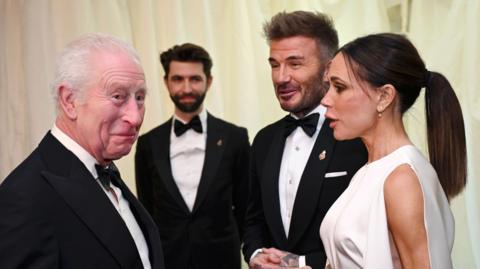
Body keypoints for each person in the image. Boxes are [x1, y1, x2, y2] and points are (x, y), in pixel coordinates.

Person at [0, 33, 165, 268]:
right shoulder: (23, 198)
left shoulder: (105, 172)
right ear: (69, 101)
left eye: (139, 98)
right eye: (118, 96)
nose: (136, 117)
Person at [319, 33, 467, 269]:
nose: (326, 99)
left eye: (339, 87)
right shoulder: (371, 171)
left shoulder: (402, 179)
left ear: (384, 96)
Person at [242, 11, 367, 269]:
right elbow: (253, 219)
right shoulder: (264, 140)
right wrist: (255, 255)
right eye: (274, 64)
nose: (280, 77)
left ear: (327, 70)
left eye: (295, 64)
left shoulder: (358, 139)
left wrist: (296, 263)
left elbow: (369, 238)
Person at [135, 43, 250, 269]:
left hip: (222, 261)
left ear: (209, 81)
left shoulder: (235, 138)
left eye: (195, 79)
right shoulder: (148, 143)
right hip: (168, 261)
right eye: (178, 79)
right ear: (166, 82)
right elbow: (147, 211)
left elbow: (246, 207)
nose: (186, 88)